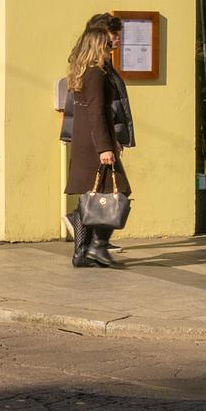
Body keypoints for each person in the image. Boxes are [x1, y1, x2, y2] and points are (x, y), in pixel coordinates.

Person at [63, 25, 132, 268]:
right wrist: (105, 147)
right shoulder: (96, 75)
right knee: (119, 191)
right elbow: (97, 113)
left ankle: (81, 252)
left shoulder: (83, 72)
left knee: (89, 197)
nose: (111, 47)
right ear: (98, 47)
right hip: (95, 144)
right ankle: (98, 246)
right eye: (107, 44)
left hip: (84, 142)